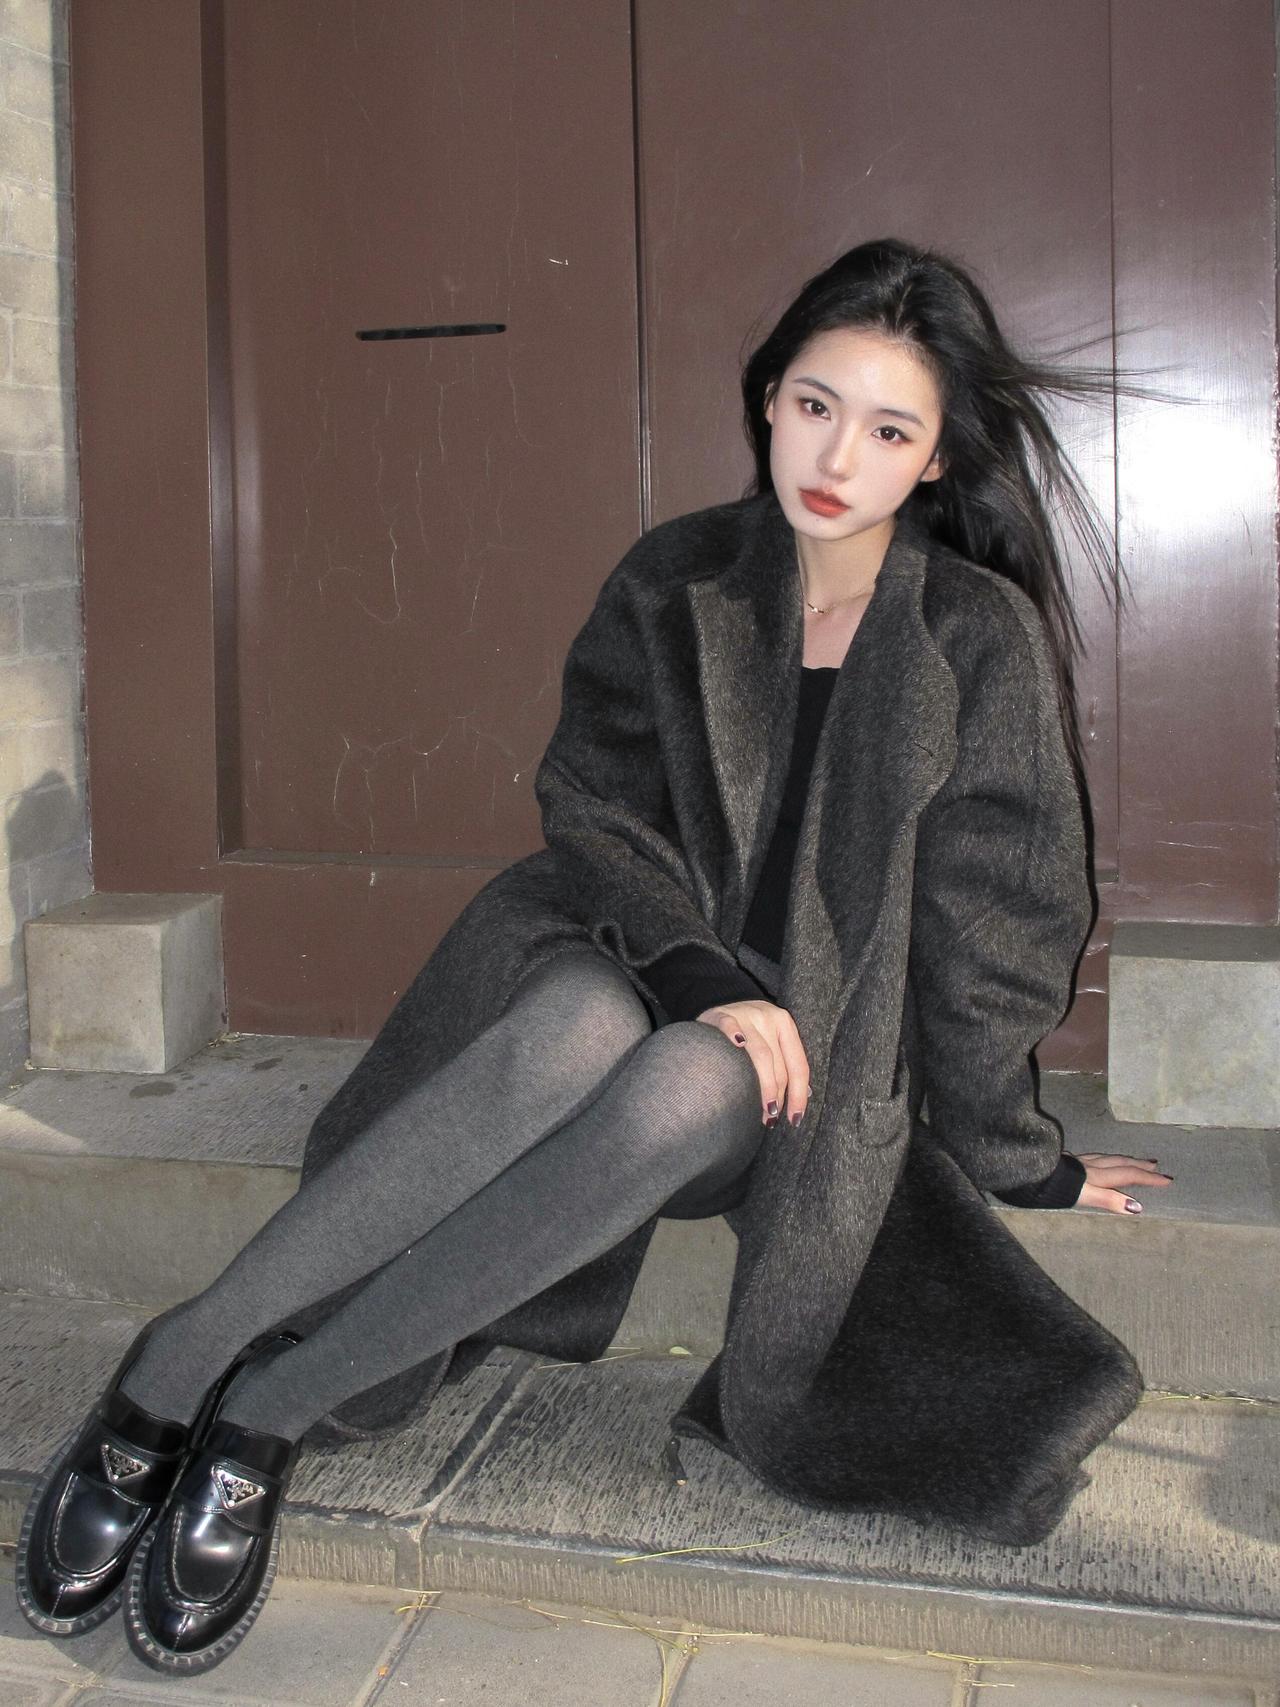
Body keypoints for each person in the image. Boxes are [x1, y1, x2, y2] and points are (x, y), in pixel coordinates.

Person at [15, 237, 1172, 1675]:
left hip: (784, 1069)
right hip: (610, 941)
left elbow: (996, 926)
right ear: (767, 401)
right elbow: (593, 807)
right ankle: (173, 1373)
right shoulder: (679, 577)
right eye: (815, 406)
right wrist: (703, 974)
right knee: (583, 1027)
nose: (837, 457)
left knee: (693, 1078)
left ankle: (268, 1411)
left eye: (889, 431)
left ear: (935, 461)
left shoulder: (972, 639)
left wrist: (1017, 1156)